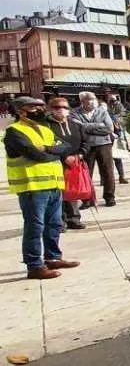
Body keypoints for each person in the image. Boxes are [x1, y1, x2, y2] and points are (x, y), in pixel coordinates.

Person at [5, 96, 80, 279]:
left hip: (53, 184)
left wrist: (47, 149)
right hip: (32, 187)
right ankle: (34, 265)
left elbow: (66, 146)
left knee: (54, 223)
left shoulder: (45, 130)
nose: (39, 110)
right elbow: (34, 154)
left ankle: (53, 257)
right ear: (20, 111)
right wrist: (53, 151)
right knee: (35, 226)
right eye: (33, 107)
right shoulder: (14, 131)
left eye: (40, 107)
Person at [48, 97, 107, 230]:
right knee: (59, 193)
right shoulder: (47, 126)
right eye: (57, 107)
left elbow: (86, 142)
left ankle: (73, 218)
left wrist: (80, 154)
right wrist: (64, 157)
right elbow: (48, 144)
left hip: (76, 162)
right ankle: (60, 220)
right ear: (51, 109)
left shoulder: (76, 124)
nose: (61, 110)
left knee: (73, 190)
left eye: (65, 107)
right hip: (56, 163)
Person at [71, 91, 117, 207]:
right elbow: (77, 127)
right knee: (86, 173)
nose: (93, 101)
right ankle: (87, 199)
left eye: (94, 99)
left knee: (108, 172)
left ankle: (109, 197)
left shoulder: (102, 111)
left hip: (104, 145)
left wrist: (87, 128)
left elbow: (109, 128)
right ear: (83, 102)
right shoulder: (75, 113)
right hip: (86, 146)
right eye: (90, 99)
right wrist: (98, 125)